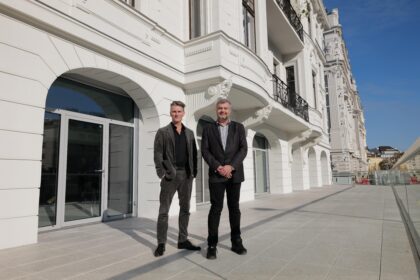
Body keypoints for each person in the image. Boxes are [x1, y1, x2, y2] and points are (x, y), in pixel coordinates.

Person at [201, 98, 248, 259]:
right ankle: (212, 245)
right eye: (220, 108)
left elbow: (243, 149)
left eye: (225, 108)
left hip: (234, 175)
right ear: (216, 110)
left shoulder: (239, 127)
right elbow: (205, 151)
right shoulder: (208, 129)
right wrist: (218, 167)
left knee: (234, 208)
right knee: (215, 209)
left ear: (230, 110)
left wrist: (230, 167)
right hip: (216, 175)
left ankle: (236, 241)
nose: (223, 111)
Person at [153, 101, 200, 257]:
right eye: (174, 111)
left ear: (183, 113)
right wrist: (162, 172)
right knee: (164, 211)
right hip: (170, 175)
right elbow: (158, 153)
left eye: (179, 111)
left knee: (185, 209)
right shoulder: (163, 132)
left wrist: (194, 173)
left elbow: (194, 153)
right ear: (170, 113)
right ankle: (161, 243)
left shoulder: (190, 133)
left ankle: (182, 240)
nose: (176, 114)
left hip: (186, 175)